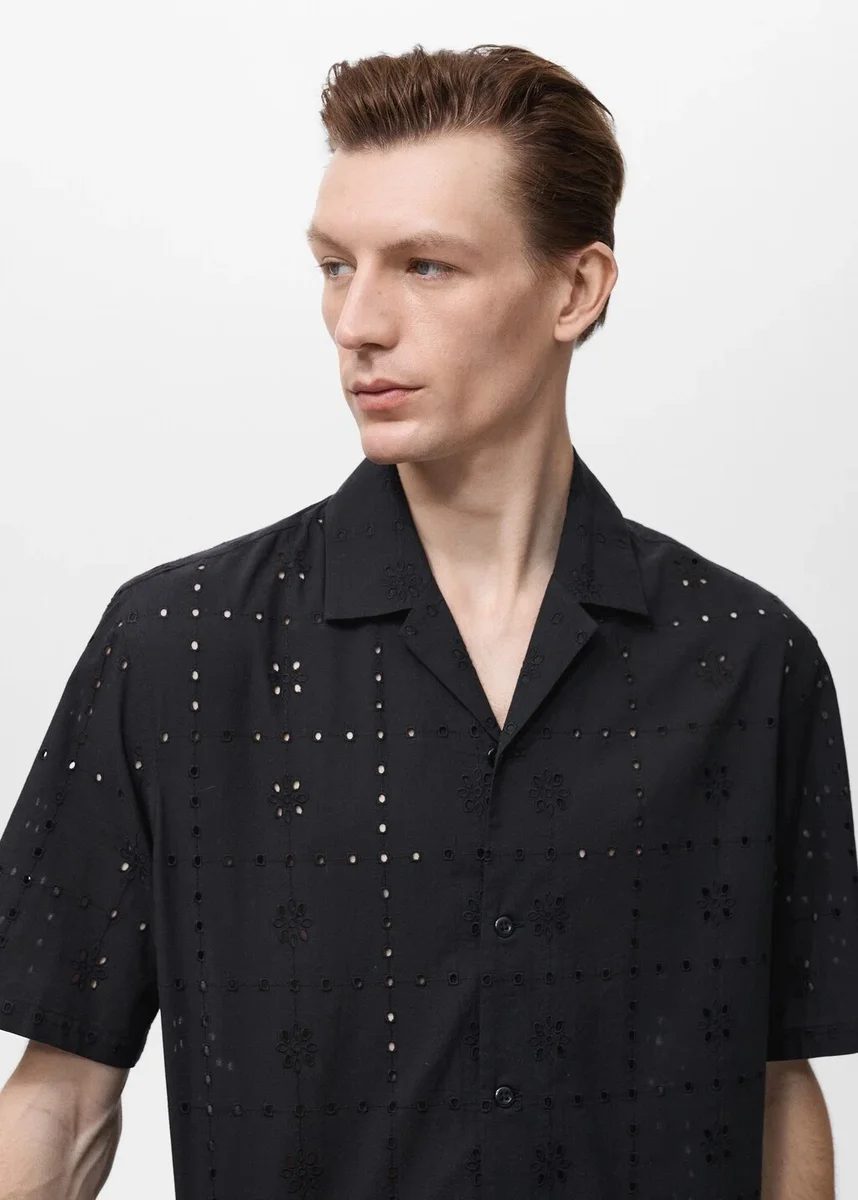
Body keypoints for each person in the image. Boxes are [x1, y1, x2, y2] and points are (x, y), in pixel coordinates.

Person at [0, 40, 855, 1200]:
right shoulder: (179, 650)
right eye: (333, 266)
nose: (357, 322)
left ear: (576, 289)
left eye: (426, 266)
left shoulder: (748, 664)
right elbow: (61, 1102)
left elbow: (776, 1086)